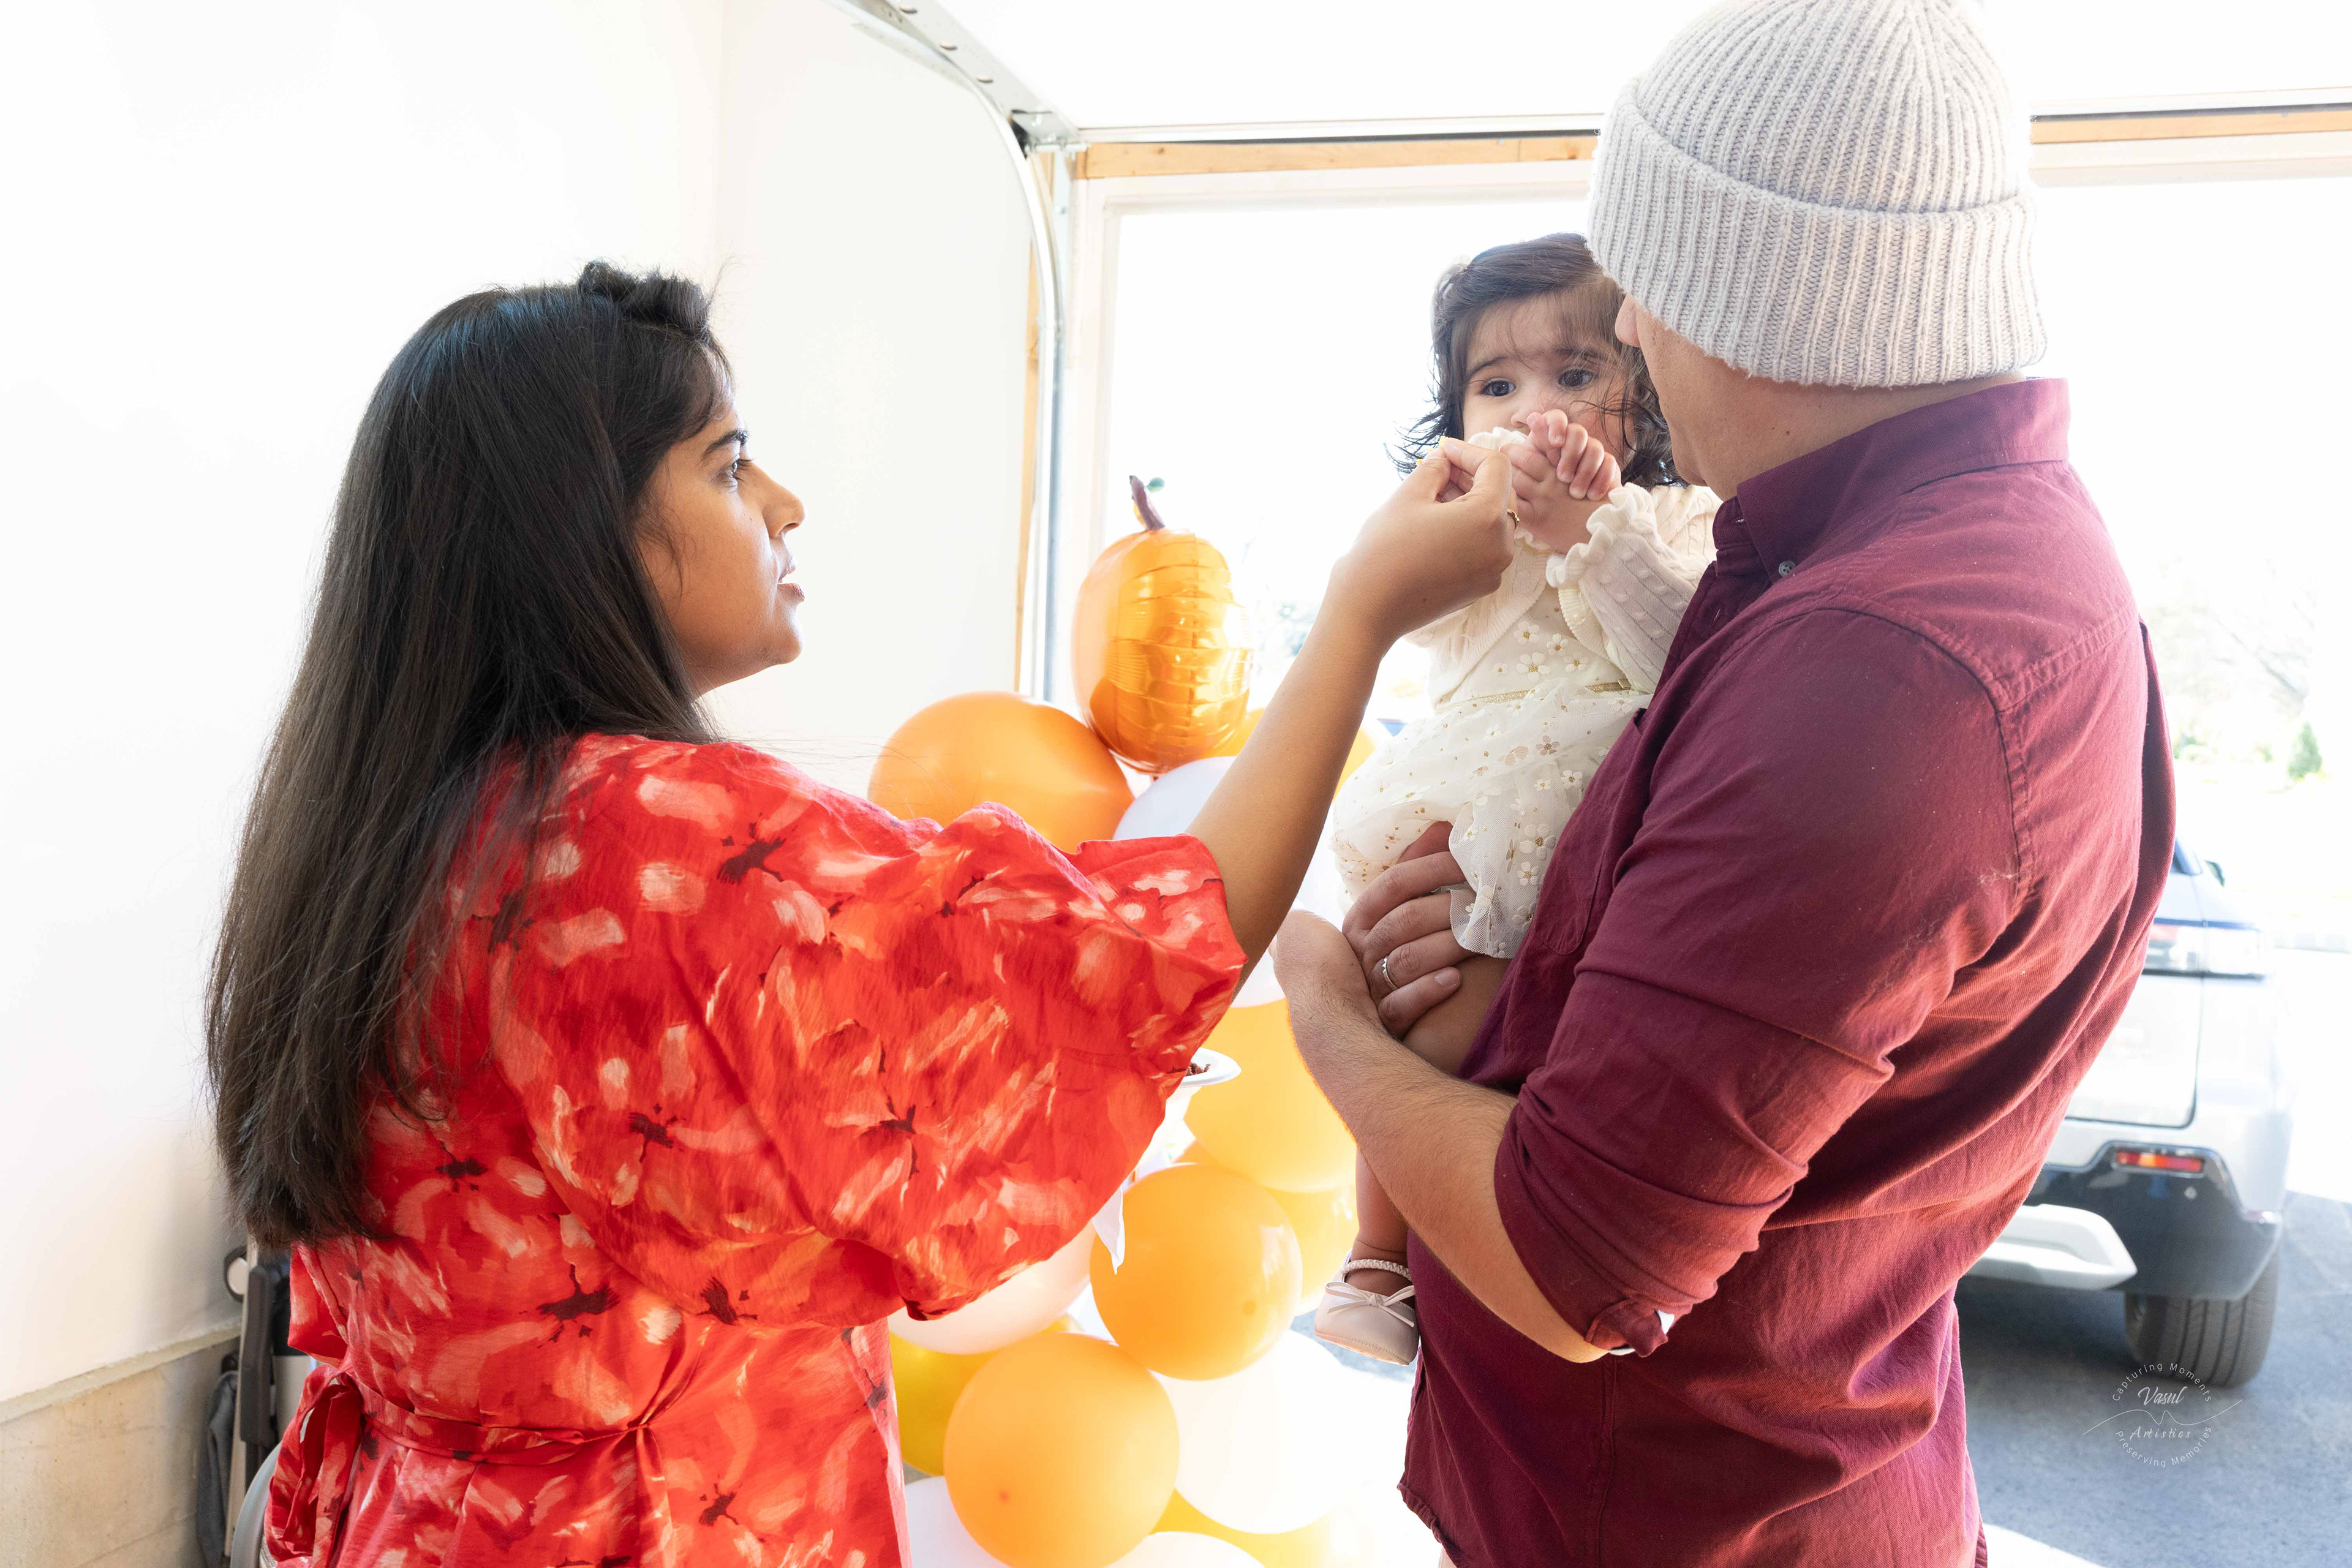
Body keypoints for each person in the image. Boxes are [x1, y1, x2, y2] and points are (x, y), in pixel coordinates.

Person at [205, 263, 1517, 1567]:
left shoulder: (384, 838)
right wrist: (1359, 617)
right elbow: (1129, 958)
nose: (784, 503)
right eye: (728, 465)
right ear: (585, 528)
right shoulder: (657, 847)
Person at [1272, 1, 2175, 1563]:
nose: (1629, 334)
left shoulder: (1879, 671)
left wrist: (1328, 1009)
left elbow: (1576, 1267)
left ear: (1762, 295)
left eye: (1648, 290)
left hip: (1681, 1516)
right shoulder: (1951, 559)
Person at [1314, 235, 1720, 1363]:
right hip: (1477, 792)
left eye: (1574, 374)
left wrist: (1589, 529)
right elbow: (1411, 629)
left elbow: (1689, 662)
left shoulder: (1675, 518)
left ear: (1644, 396)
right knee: (1417, 1013)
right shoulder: (1466, 532)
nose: (1532, 409)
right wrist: (1435, 534)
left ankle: (1458, 1251)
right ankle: (1378, 1254)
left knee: (1468, 1026)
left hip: (1592, 804)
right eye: (1496, 386)